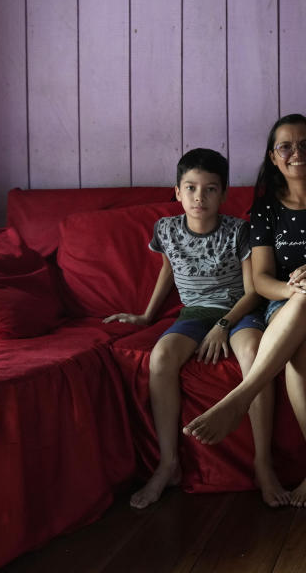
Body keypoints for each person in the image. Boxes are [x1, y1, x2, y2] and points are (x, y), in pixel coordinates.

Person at [182, 114, 306, 508]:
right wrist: (292, 287)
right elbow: (263, 279)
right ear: (273, 157)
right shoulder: (266, 210)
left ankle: (241, 397)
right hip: (288, 308)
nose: (297, 153)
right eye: (285, 146)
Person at [105, 148, 267, 509]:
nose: (199, 197)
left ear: (224, 194)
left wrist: (224, 326)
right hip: (193, 312)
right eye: (191, 187)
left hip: (239, 311)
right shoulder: (165, 228)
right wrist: (147, 316)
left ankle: (263, 462)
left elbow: (255, 290)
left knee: (253, 353)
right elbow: (168, 270)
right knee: (160, 356)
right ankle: (169, 463)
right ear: (177, 192)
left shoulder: (239, 231)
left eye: (210, 189)